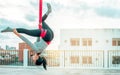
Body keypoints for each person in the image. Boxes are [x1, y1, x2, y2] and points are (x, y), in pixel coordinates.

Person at [1, 3, 54, 70]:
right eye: (34, 60)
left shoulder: (39, 51)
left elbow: (39, 41)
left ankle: (48, 11)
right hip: (47, 36)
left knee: (41, 20)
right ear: (37, 58)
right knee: (27, 31)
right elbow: (27, 41)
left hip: (50, 35)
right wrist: (17, 34)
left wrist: (39, 32)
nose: (32, 59)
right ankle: (10, 29)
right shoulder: (37, 50)